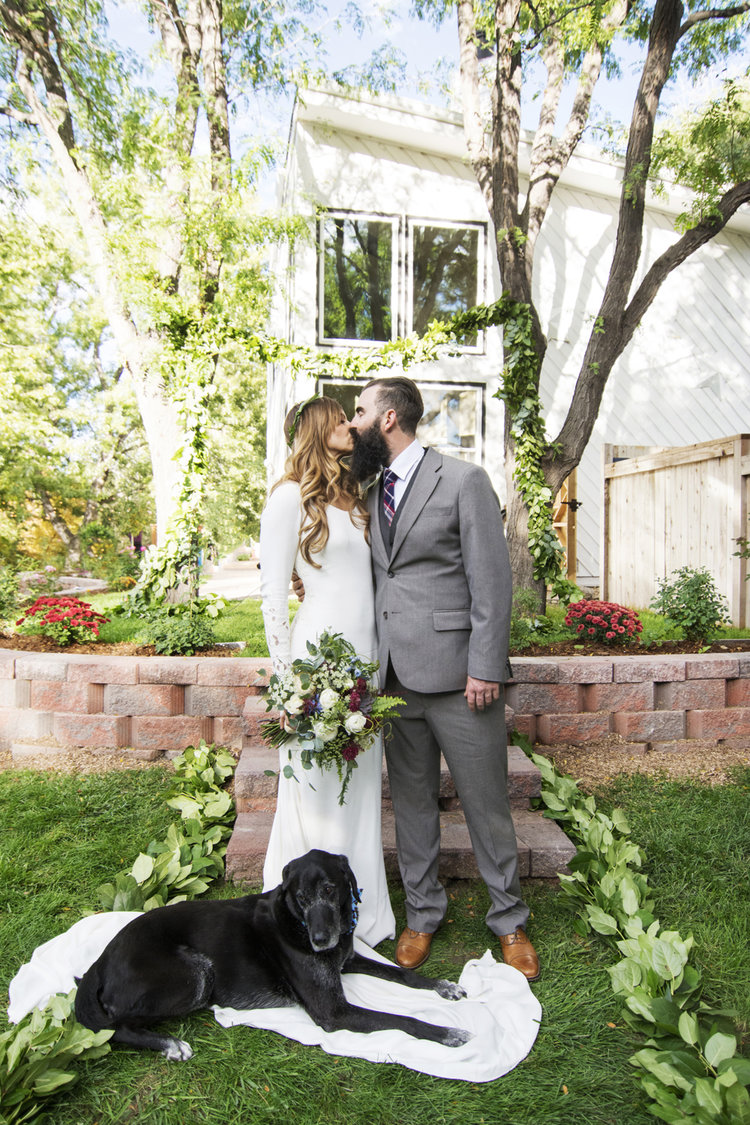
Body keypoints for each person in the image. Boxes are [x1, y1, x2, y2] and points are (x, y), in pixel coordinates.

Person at [348, 376, 539, 981]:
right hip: (395, 679)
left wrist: (486, 665)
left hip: (461, 680)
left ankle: (509, 920)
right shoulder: (371, 488)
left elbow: (492, 581)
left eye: (359, 411)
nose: (351, 422)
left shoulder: (462, 481)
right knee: (410, 806)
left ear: (388, 419)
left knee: (486, 804)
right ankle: (423, 914)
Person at [259, 395, 395, 948]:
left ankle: (360, 909)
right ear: (317, 431)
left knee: (359, 787)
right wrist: (288, 681)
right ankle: (300, 912)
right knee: (315, 784)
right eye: (339, 419)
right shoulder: (289, 498)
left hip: (365, 659)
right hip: (318, 662)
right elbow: (272, 595)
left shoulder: (356, 497)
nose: (348, 425)